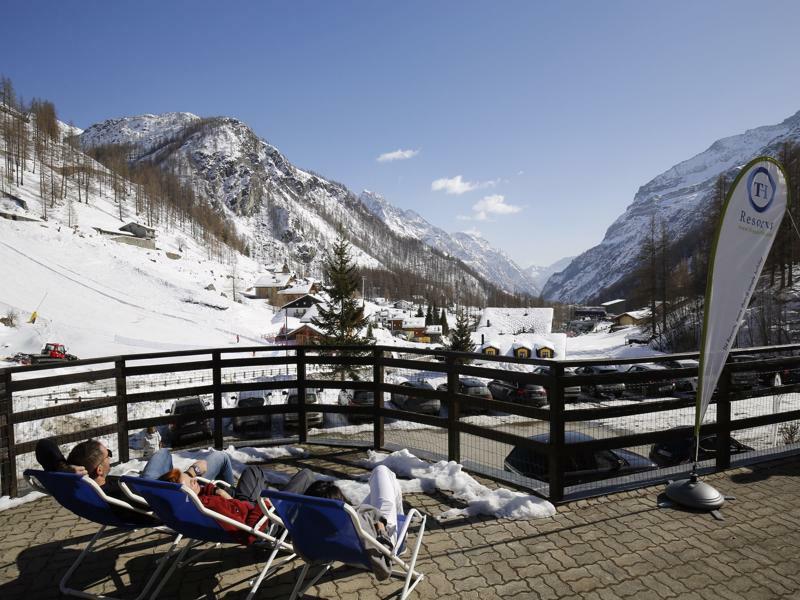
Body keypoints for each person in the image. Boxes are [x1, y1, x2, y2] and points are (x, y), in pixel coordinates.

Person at [158, 466, 316, 544]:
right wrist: (264, 505)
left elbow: (209, 494)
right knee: (306, 475)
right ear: (184, 493)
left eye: (192, 478)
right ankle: (294, 528)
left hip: (245, 509)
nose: (196, 480)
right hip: (264, 521)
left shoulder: (193, 505)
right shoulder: (211, 505)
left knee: (252, 471)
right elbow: (249, 533)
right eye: (191, 483)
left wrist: (218, 491)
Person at [305, 464, 404, 580]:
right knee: (381, 470)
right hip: (377, 547)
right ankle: (402, 537)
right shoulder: (354, 522)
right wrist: (381, 529)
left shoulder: (308, 524)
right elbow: (384, 562)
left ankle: (400, 525)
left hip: (345, 552)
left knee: (386, 485)